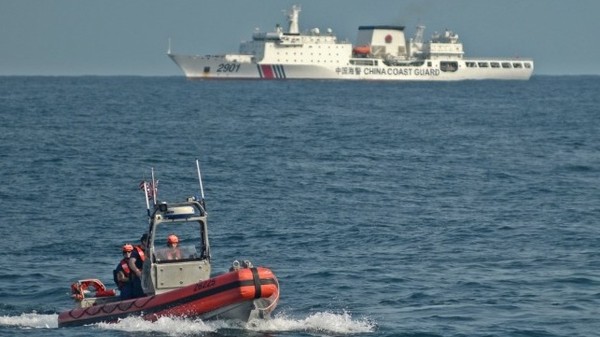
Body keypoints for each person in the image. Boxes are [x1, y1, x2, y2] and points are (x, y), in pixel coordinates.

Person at [127, 234, 147, 298]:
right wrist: (137, 271)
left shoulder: (150, 250)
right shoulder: (135, 252)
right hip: (139, 277)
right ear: (144, 241)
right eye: (149, 240)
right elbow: (131, 262)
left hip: (148, 275)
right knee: (139, 293)